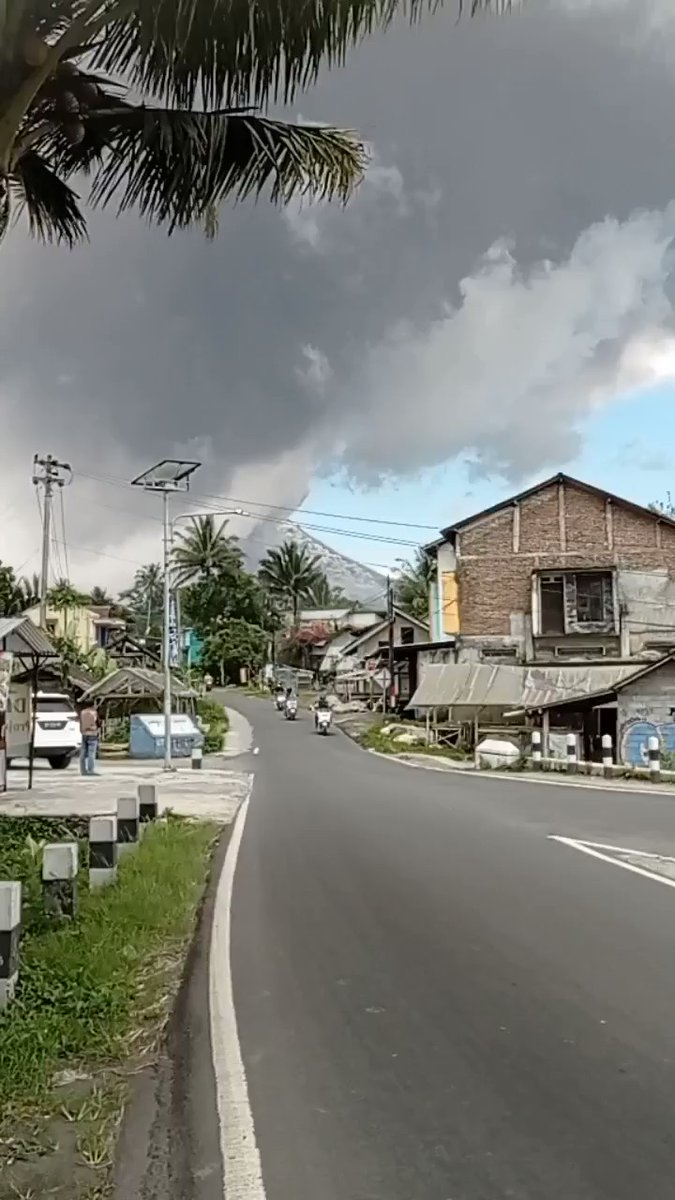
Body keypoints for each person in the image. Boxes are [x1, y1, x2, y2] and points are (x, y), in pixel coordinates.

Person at [78, 699, 99, 776]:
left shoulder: (82, 712)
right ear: (92, 705)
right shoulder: (94, 712)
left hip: (84, 733)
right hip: (92, 733)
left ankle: (83, 770)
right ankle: (90, 770)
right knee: (91, 753)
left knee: (83, 752)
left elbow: (81, 722)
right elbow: (97, 721)